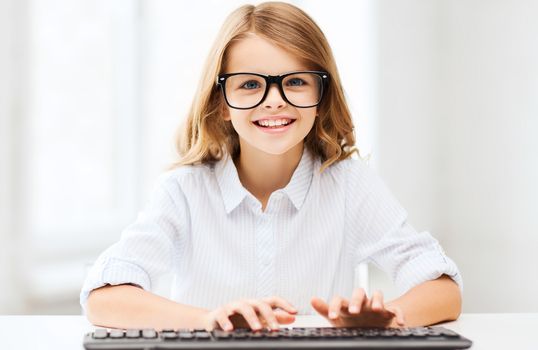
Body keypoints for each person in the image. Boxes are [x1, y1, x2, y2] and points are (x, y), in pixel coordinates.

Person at [80, 1, 462, 332]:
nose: (274, 101)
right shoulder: (183, 191)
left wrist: (391, 317)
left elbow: (443, 289)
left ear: (320, 94)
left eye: (295, 81)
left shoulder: (349, 185)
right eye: (249, 85)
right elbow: (104, 298)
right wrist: (210, 319)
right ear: (222, 102)